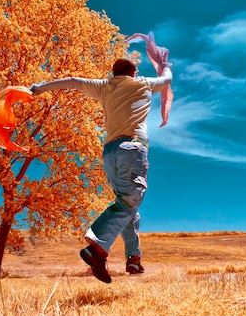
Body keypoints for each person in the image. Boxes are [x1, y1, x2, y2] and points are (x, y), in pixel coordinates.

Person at [30, 58, 173, 283]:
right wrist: (166, 65)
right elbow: (167, 80)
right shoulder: (143, 83)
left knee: (127, 206)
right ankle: (97, 249)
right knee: (130, 200)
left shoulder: (104, 86)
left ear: (113, 72)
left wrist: (40, 88)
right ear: (133, 72)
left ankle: (133, 258)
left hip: (110, 154)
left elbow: (73, 81)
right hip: (132, 148)